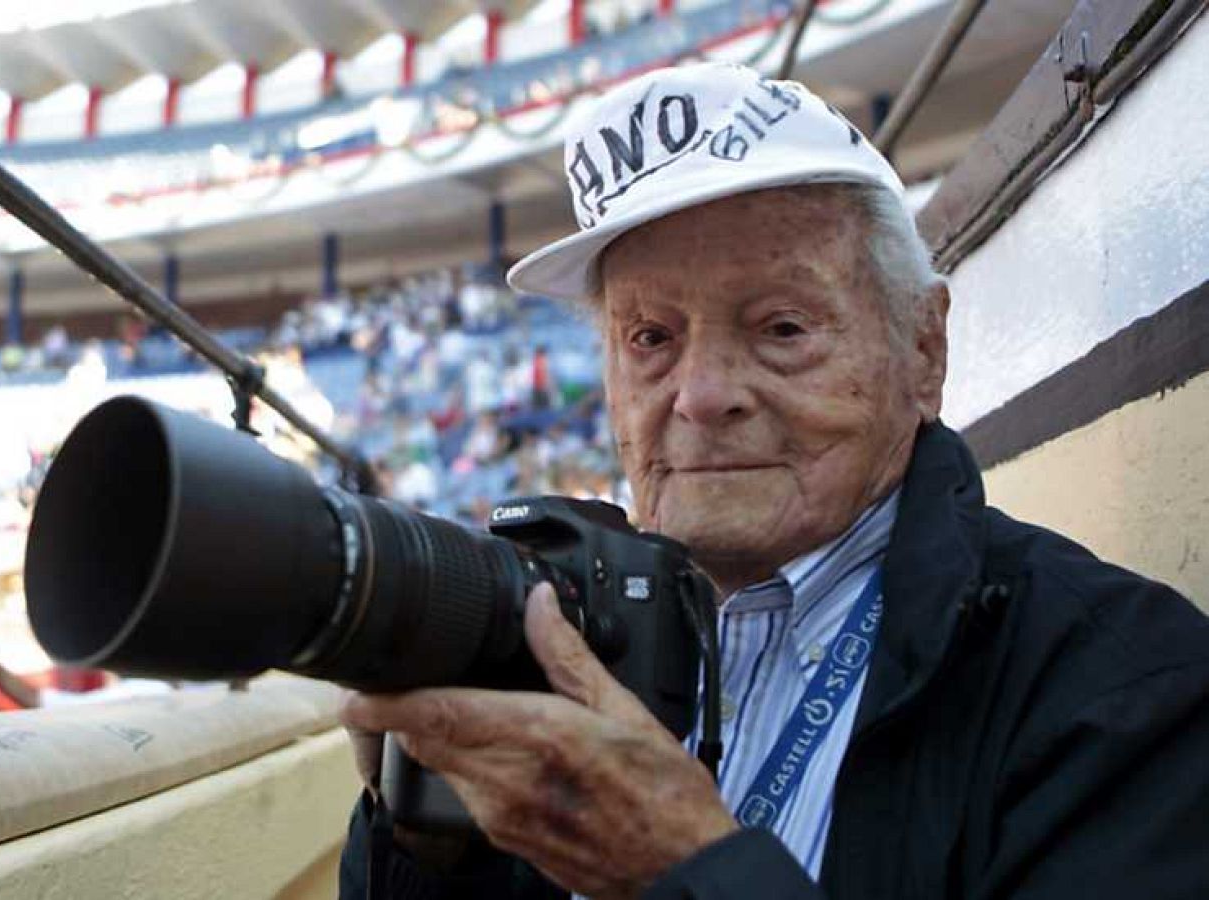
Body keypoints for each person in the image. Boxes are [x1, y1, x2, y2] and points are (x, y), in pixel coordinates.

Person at [337, 62, 1209, 898]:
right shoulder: (564, 629)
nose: (702, 395)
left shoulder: (1124, 688)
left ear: (923, 350)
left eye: (782, 327)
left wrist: (679, 868)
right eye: (650, 339)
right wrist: (425, 852)